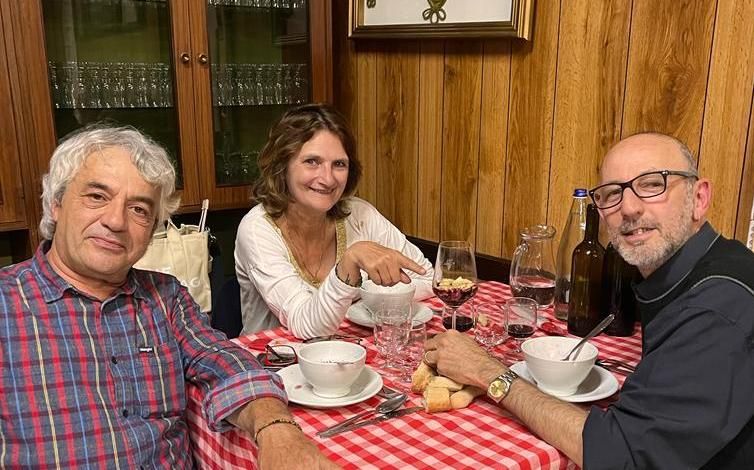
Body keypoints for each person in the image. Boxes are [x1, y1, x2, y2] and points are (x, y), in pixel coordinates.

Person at [0, 125, 338, 469]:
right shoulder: (6, 303)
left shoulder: (165, 297)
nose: (116, 221)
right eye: (97, 197)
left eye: (139, 209)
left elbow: (224, 361)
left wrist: (277, 428)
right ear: (56, 204)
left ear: (152, 230)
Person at [423, 132, 754, 469]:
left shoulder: (716, 308)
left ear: (699, 198)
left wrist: (489, 372)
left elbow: (621, 455)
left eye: (653, 184)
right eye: (613, 193)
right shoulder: (695, 270)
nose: (629, 208)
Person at [235, 103, 434, 338]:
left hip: (352, 350)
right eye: (312, 161)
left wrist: (363, 297)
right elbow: (306, 325)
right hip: (273, 356)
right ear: (282, 166)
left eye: (339, 164)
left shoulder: (359, 214)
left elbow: (427, 277)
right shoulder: (256, 229)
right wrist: (349, 263)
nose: (328, 179)